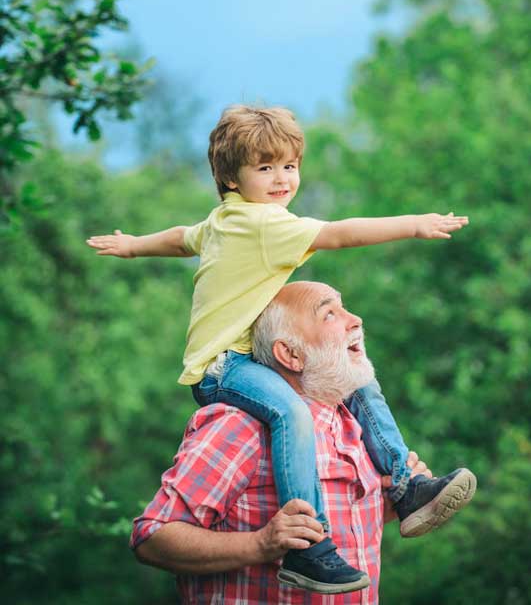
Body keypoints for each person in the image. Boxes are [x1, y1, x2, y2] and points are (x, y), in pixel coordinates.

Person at [87, 105, 475, 594]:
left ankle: (406, 485)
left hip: (234, 360)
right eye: (264, 167)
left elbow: (180, 240)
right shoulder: (266, 226)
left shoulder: (222, 221)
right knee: (290, 412)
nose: (281, 179)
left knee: (358, 382)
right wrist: (413, 224)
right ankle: (307, 547)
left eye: (288, 166)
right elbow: (341, 232)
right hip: (224, 365)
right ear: (230, 177)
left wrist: (135, 245)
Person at [130, 281, 473, 604]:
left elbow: (337, 528)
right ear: (291, 355)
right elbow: (152, 537)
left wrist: (384, 505)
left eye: (345, 308)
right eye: (329, 314)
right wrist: (261, 544)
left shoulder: (355, 427)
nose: (355, 320)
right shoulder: (239, 426)